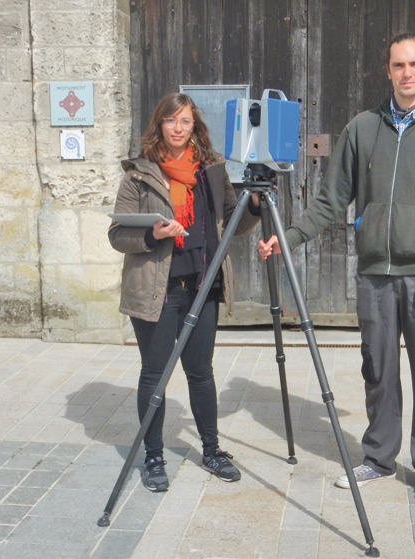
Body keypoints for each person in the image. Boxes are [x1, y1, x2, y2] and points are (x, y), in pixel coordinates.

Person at [258, 33, 415, 506]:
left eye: (414, 64)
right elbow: (330, 201)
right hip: (375, 274)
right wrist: (287, 238)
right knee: (378, 369)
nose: (407, 72)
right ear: (387, 70)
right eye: (398, 65)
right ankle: (379, 458)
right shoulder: (361, 128)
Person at [109, 93, 260, 492]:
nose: (178, 128)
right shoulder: (139, 174)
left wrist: (257, 205)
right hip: (157, 290)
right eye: (171, 120)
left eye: (186, 122)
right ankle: (154, 456)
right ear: (159, 124)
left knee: (201, 373)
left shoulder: (211, 170)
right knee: (155, 375)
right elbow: (117, 234)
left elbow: (232, 221)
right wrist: (150, 234)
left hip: (201, 284)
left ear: (195, 127)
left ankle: (211, 450)